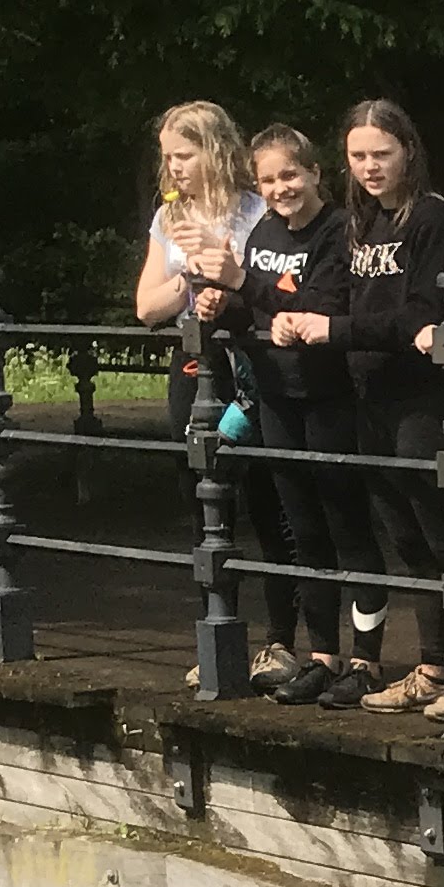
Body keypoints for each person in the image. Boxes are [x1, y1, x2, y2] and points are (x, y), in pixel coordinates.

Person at [318, 99, 444, 711]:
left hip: (421, 397)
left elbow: (419, 313)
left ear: (408, 151)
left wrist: (336, 331)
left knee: (442, 535)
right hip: (370, 396)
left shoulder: (433, 219)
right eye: (358, 156)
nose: (370, 166)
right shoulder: (360, 222)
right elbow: (338, 295)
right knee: (403, 537)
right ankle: (431, 667)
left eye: (381, 153)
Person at [127, 101, 283, 688]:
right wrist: (189, 275)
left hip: (251, 360)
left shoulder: (257, 210)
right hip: (195, 364)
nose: (174, 168)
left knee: (269, 500)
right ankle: (218, 633)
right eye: (168, 157)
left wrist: (224, 260)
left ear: (214, 151)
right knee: (204, 501)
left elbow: (271, 284)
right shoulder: (168, 218)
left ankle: (282, 641)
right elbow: (147, 307)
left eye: (184, 155)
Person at [230, 124, 370, 702]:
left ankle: (365, 661)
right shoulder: (263, 231)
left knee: (346, 524)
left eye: (289, 174)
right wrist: (222, 301)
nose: (280, 188)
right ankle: (321, 655)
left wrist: (244, 284)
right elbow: (256, 306)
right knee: (303, 530)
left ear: (314, 172)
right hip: (276, 395)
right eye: (267, 180)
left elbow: (319, 304)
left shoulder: (340, 229)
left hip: (330, 394)